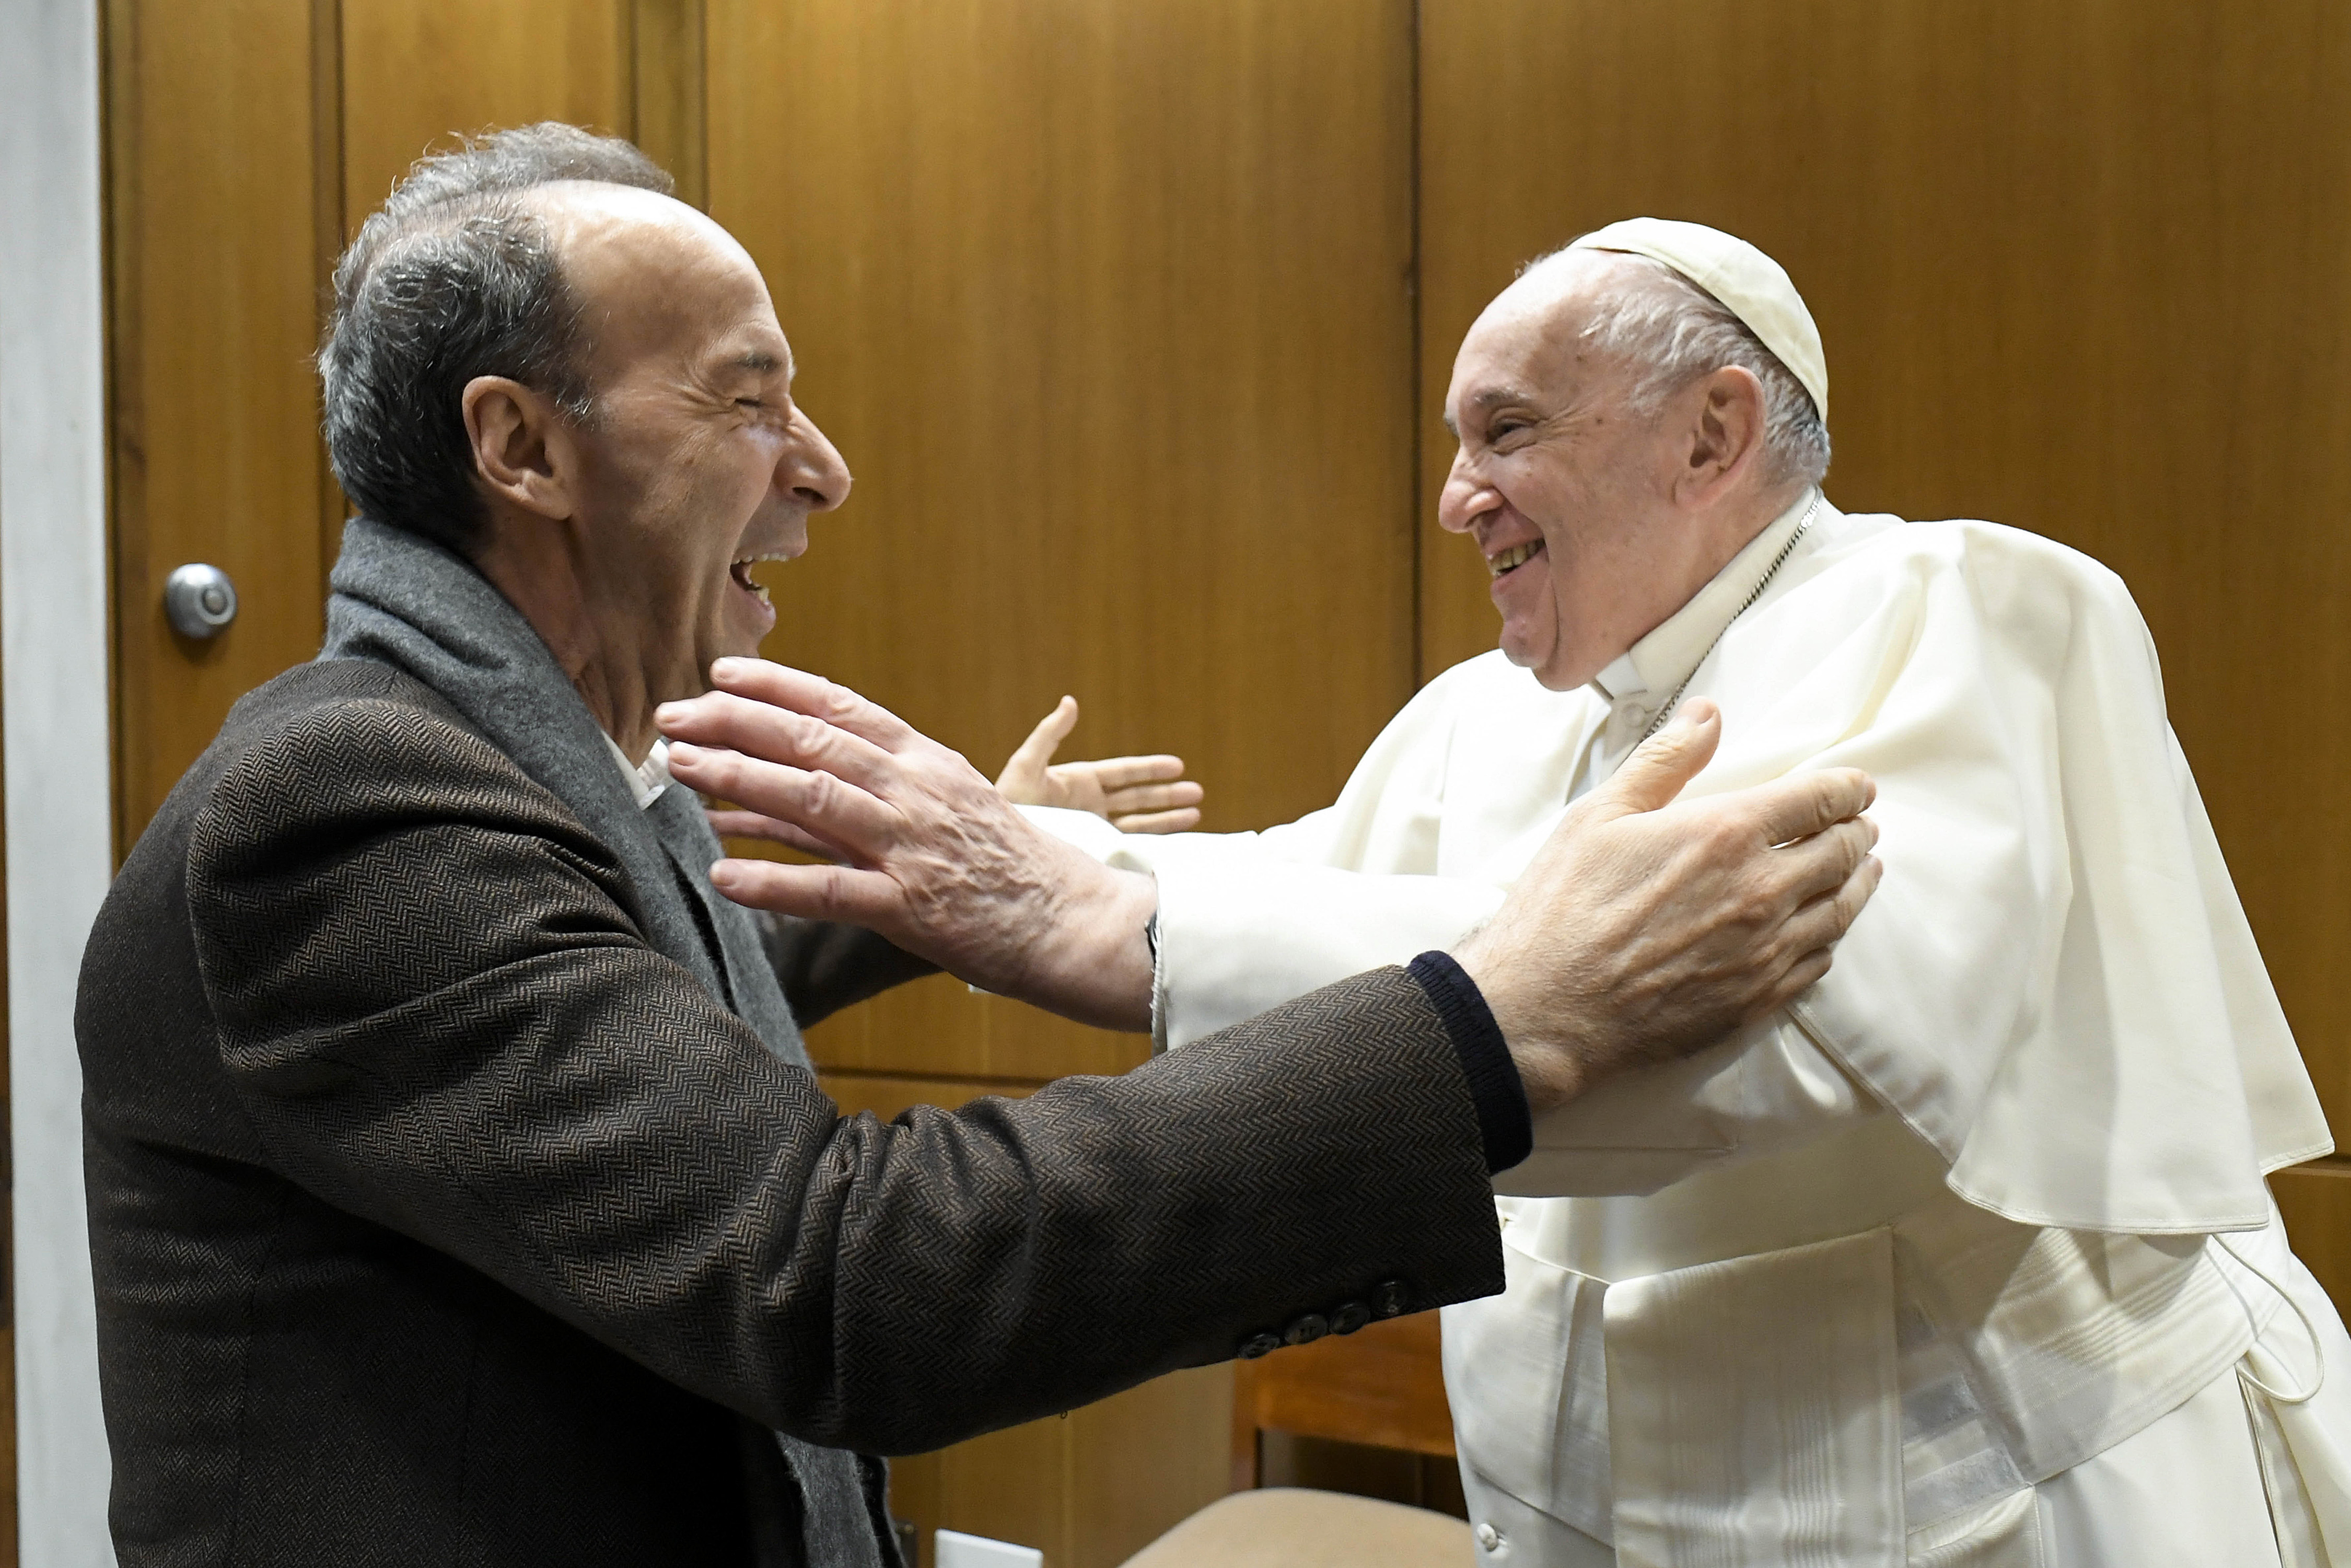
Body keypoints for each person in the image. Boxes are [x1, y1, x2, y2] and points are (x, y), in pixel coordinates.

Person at [74, 131, 1882, 1567]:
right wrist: (1491, 1019)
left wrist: (953, 885)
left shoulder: (499, 756)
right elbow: (845, 1280)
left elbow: (612, 991)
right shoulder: (344, 812)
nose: (824, 464)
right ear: (521, 448)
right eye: (746, 398)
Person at [672, 219, 2351, 1566]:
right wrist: (1020, 862)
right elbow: (1316, 890)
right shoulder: (1502, 703)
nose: (1455, 495)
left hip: (1994, 1506)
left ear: (1713, 430)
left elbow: (1816, 1029)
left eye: (1508, 431)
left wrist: (1107, 922)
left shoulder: (1941, 608)